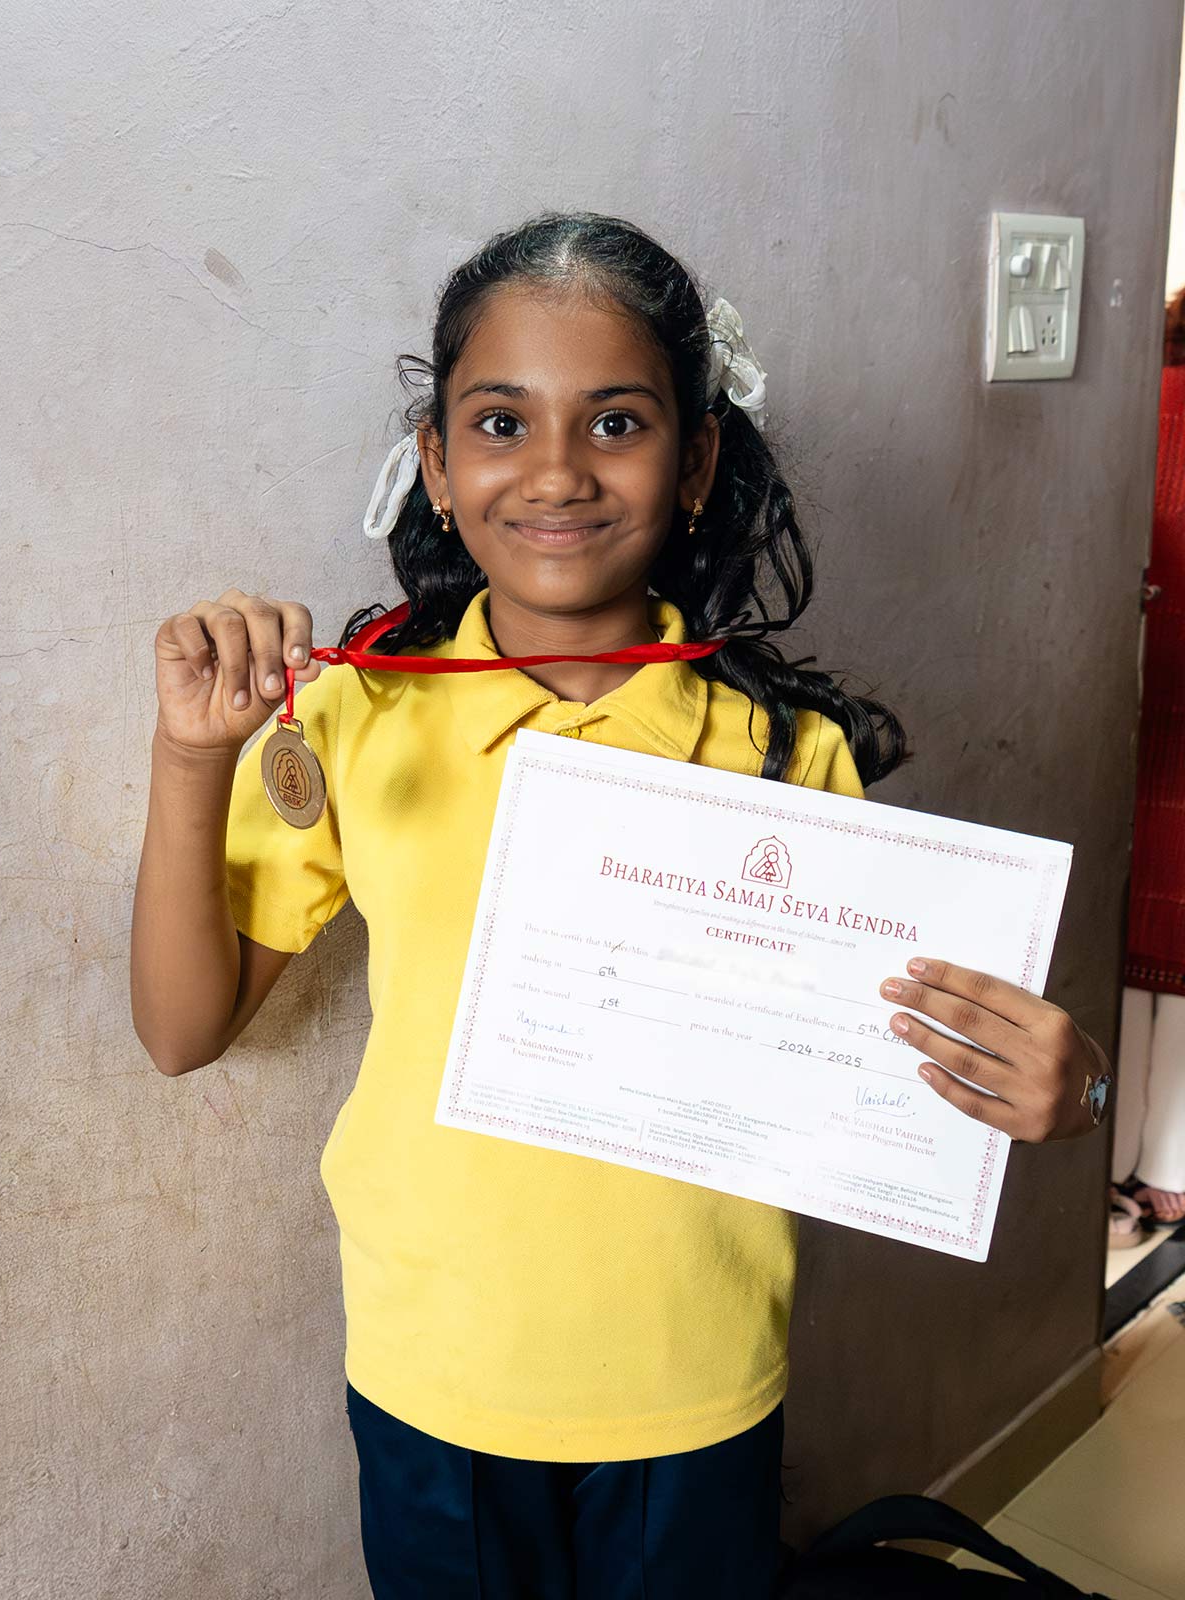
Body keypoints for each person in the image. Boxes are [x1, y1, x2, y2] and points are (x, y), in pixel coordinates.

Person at [130, 212, 1113, 1600]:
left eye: (615, 423)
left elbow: (882, 1075)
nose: (555, 473)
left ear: (698, 458)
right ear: (435, 463)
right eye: (498, 421)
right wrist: (189, 757)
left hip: (697, 1382)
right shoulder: (356, 715)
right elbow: (181, 1032)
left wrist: (1062, 1093)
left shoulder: (786, 755)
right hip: (436, 1375)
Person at [1110, 283, 1185, 1239]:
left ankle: (1113, 1172)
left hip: (1133, 698)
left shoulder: (1136, 405)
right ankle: (1171, 1170)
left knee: (1125, 944)